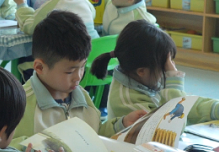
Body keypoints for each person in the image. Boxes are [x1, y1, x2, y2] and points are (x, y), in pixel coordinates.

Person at [93, 19, 219, 130]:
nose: (171, 69)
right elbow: (171, 128)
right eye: (165, 66)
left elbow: (185, 103)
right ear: (141, 71)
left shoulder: (142, 78)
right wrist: (173, 81)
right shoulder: (127, 100)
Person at [11, 11, 145, 144]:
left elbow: (95, 133)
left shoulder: (82, 97)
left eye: (82, 67)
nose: (78, 77)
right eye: (70, 72)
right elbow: (6, 148)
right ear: (40, 67)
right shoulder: (21, 105)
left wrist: (122, 124)